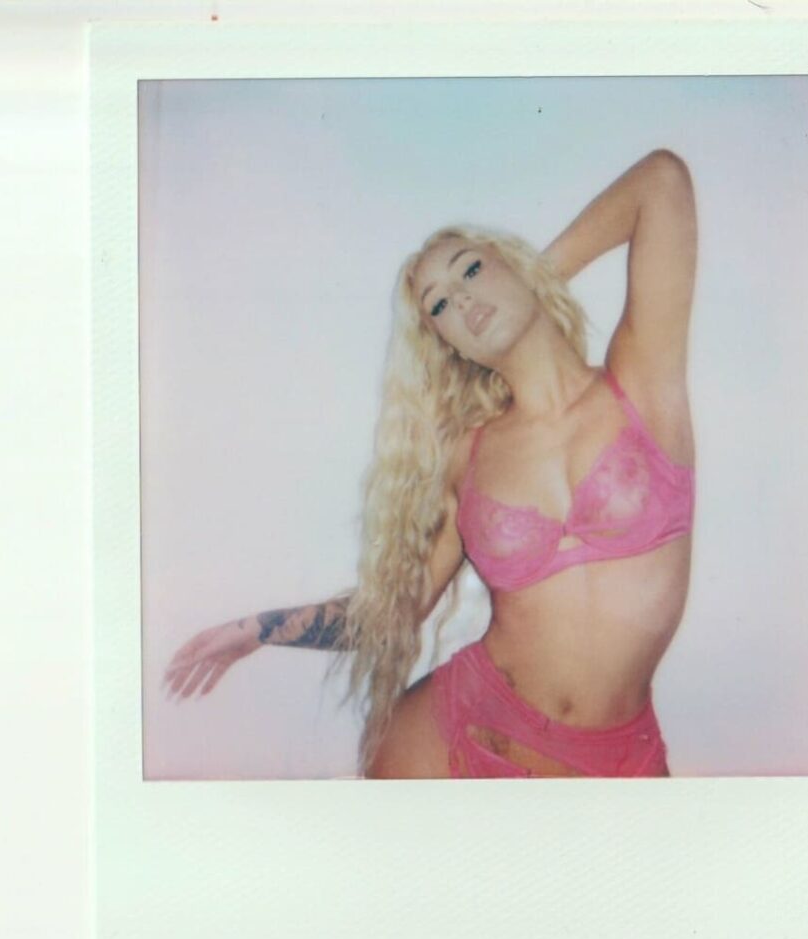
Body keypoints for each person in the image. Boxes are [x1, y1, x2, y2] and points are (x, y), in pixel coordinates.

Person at [164, 149, 697, 780]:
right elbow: (391, 615)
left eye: (471, 270)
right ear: (446, 345)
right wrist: (256, 630)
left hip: (619, 757)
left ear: (515, 266)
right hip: (457, 736)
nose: (462, 298)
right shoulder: (466, 457)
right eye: (440, 306)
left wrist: (535, 281)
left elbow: (662, 181)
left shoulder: (641, 384)